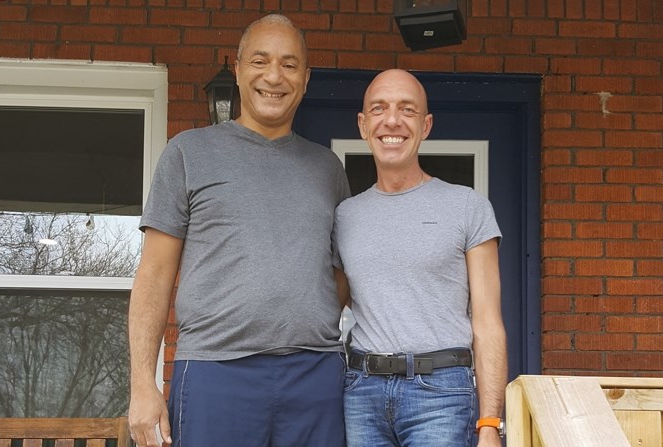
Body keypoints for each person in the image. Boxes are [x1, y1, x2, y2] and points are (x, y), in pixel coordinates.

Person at [127, 14, 350, 447]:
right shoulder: (188, 152)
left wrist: (301, 315)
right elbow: (154, 273)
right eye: (260, 61)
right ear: (237, 67)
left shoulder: (328, 169)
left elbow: (339, 273)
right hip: (215, 371)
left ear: (305, 78)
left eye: (289, 65)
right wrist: (142, 384)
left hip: (315, 376)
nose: (274, 76)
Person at [333, 69, 507, 447]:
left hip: (441, 393)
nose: (391, 121)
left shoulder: (467, 207)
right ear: (363, 125)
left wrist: (490, 422)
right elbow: (326, 311)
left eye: (406, 110)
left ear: (425, 126)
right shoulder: (344, 215)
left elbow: (488, 322)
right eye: (378, 109)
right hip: (361, 390)